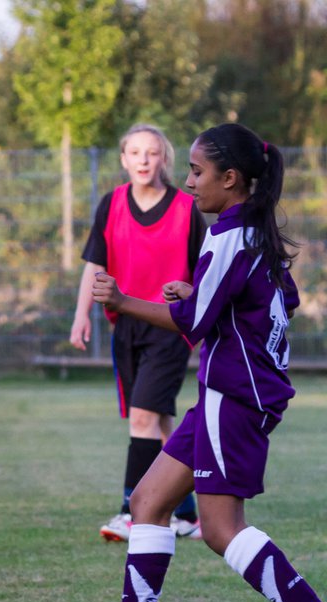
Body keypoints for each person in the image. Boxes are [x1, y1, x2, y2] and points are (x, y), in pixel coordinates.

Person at [61, 123, 327, 602]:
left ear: (231, 179)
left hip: (236, 399)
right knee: (148, 502)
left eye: (198, 172)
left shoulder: (227, 237)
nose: (189, 182)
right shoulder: (253, 233)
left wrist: (124, 301)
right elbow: (274, 300)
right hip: (229, 396)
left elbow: (192, 325)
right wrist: (195, 293)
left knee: (222, 531)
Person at [69, 125, 207, 543]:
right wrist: (81, 316)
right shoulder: (111, 204)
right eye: (135, 152)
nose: (144, 160)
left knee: (144, 417)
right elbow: (95, 264)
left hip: (169, 325)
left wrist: (204, 321)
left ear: (164, 158)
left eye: (152, 152)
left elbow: (207, 273)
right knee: (161, 420)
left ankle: (133, 510)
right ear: (124, 159)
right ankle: (185, 514)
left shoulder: (188, 208)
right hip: (125, 326)